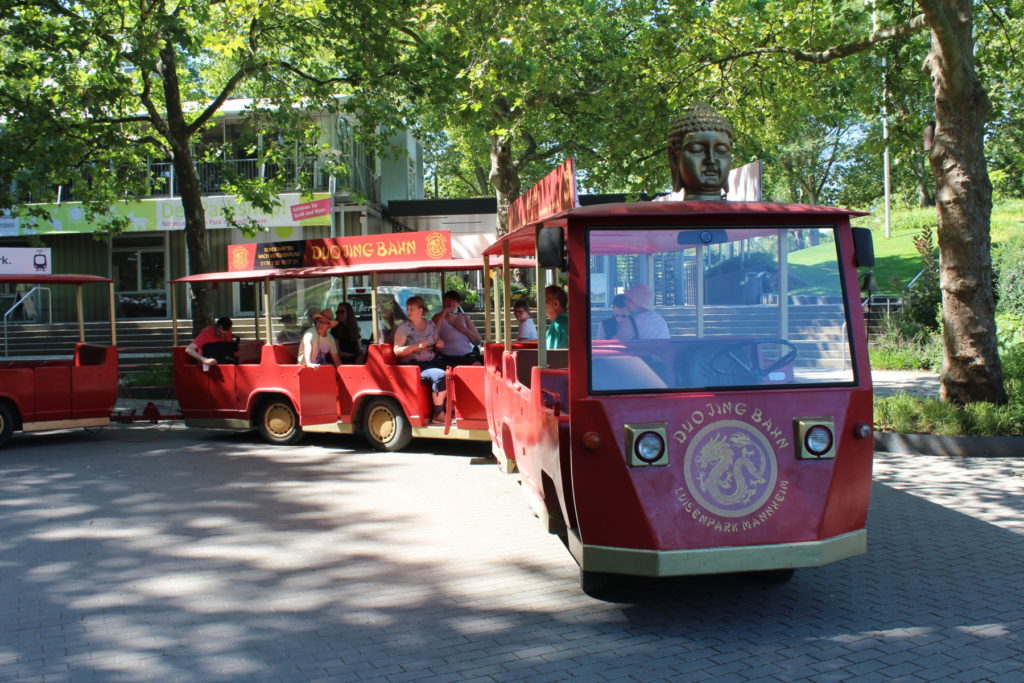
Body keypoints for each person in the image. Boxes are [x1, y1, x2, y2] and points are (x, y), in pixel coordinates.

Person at [393, 296, 447, 424]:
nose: (409, 311)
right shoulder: (403, 327)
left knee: (454, 370)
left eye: (412, 308)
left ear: (421, 310)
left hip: (431, 360)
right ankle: (438, 413)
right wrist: (416, 346)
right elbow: (397, 351)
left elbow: (436, 342)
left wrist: (440, 344)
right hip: (413, 365)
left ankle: (452, 408)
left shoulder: (430, 324)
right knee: (440, 375)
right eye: (408, 309)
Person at [667, 103, 733, 201]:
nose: (711, 160)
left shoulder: (750, 214)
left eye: (721, 151)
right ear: (674, 159)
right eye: (696, 150)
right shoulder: (659, 215)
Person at [432, 290, 482, 365]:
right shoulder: (438, 317)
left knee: (483, 362)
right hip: (448, 357)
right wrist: (444, 313)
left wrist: (459, 327)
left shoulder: (464, 317)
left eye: (454, 301)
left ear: (458, 304)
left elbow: (477, 340)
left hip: (467, 355)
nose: (451, 304)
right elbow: (434, 333)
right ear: (444, 302)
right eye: (448, 301)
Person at [545, 285, 569, 349]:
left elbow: (550, 356)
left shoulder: (557, 325)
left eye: (544, 300)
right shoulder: (568, 321)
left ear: (556, 304)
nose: (540, 304)